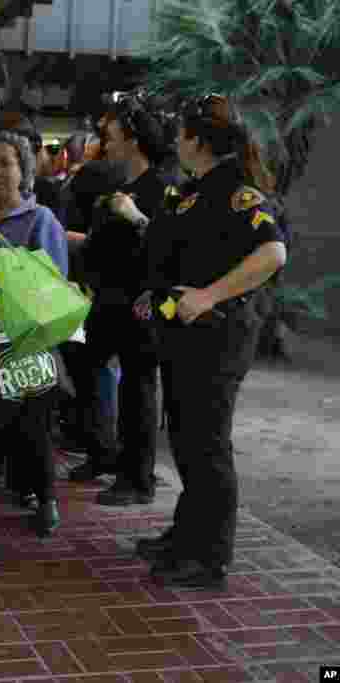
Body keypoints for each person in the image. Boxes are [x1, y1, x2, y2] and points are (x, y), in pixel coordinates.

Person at [132, 93, 286, 588]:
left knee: (207, 445)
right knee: (185, 440)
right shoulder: (191, 190)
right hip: (185, 337)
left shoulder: (237, 193)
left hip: (220, 338)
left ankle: (210, 556)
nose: (175, 142)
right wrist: (154, 297)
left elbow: (273, 253)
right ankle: (186, 536)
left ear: (197, 140)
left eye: (180, 134)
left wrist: (209, 294)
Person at [68, 91, 179, 508]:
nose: (106, 143)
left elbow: (169, 247)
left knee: (138, 386)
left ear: (133, 139)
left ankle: (138, 478)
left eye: (112, 136)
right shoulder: (120, 184)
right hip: (106, 298)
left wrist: (135, 218)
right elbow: (100, 244)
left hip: (140, 303)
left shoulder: (162, 187)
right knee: (82, 357)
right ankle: (104, 453)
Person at [0, 131, 69, 536]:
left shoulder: (41, 219)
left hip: (28, 343)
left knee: (35, 425)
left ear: (24, 170)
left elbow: (53, 283)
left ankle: (45, 499)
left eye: (5, 162)